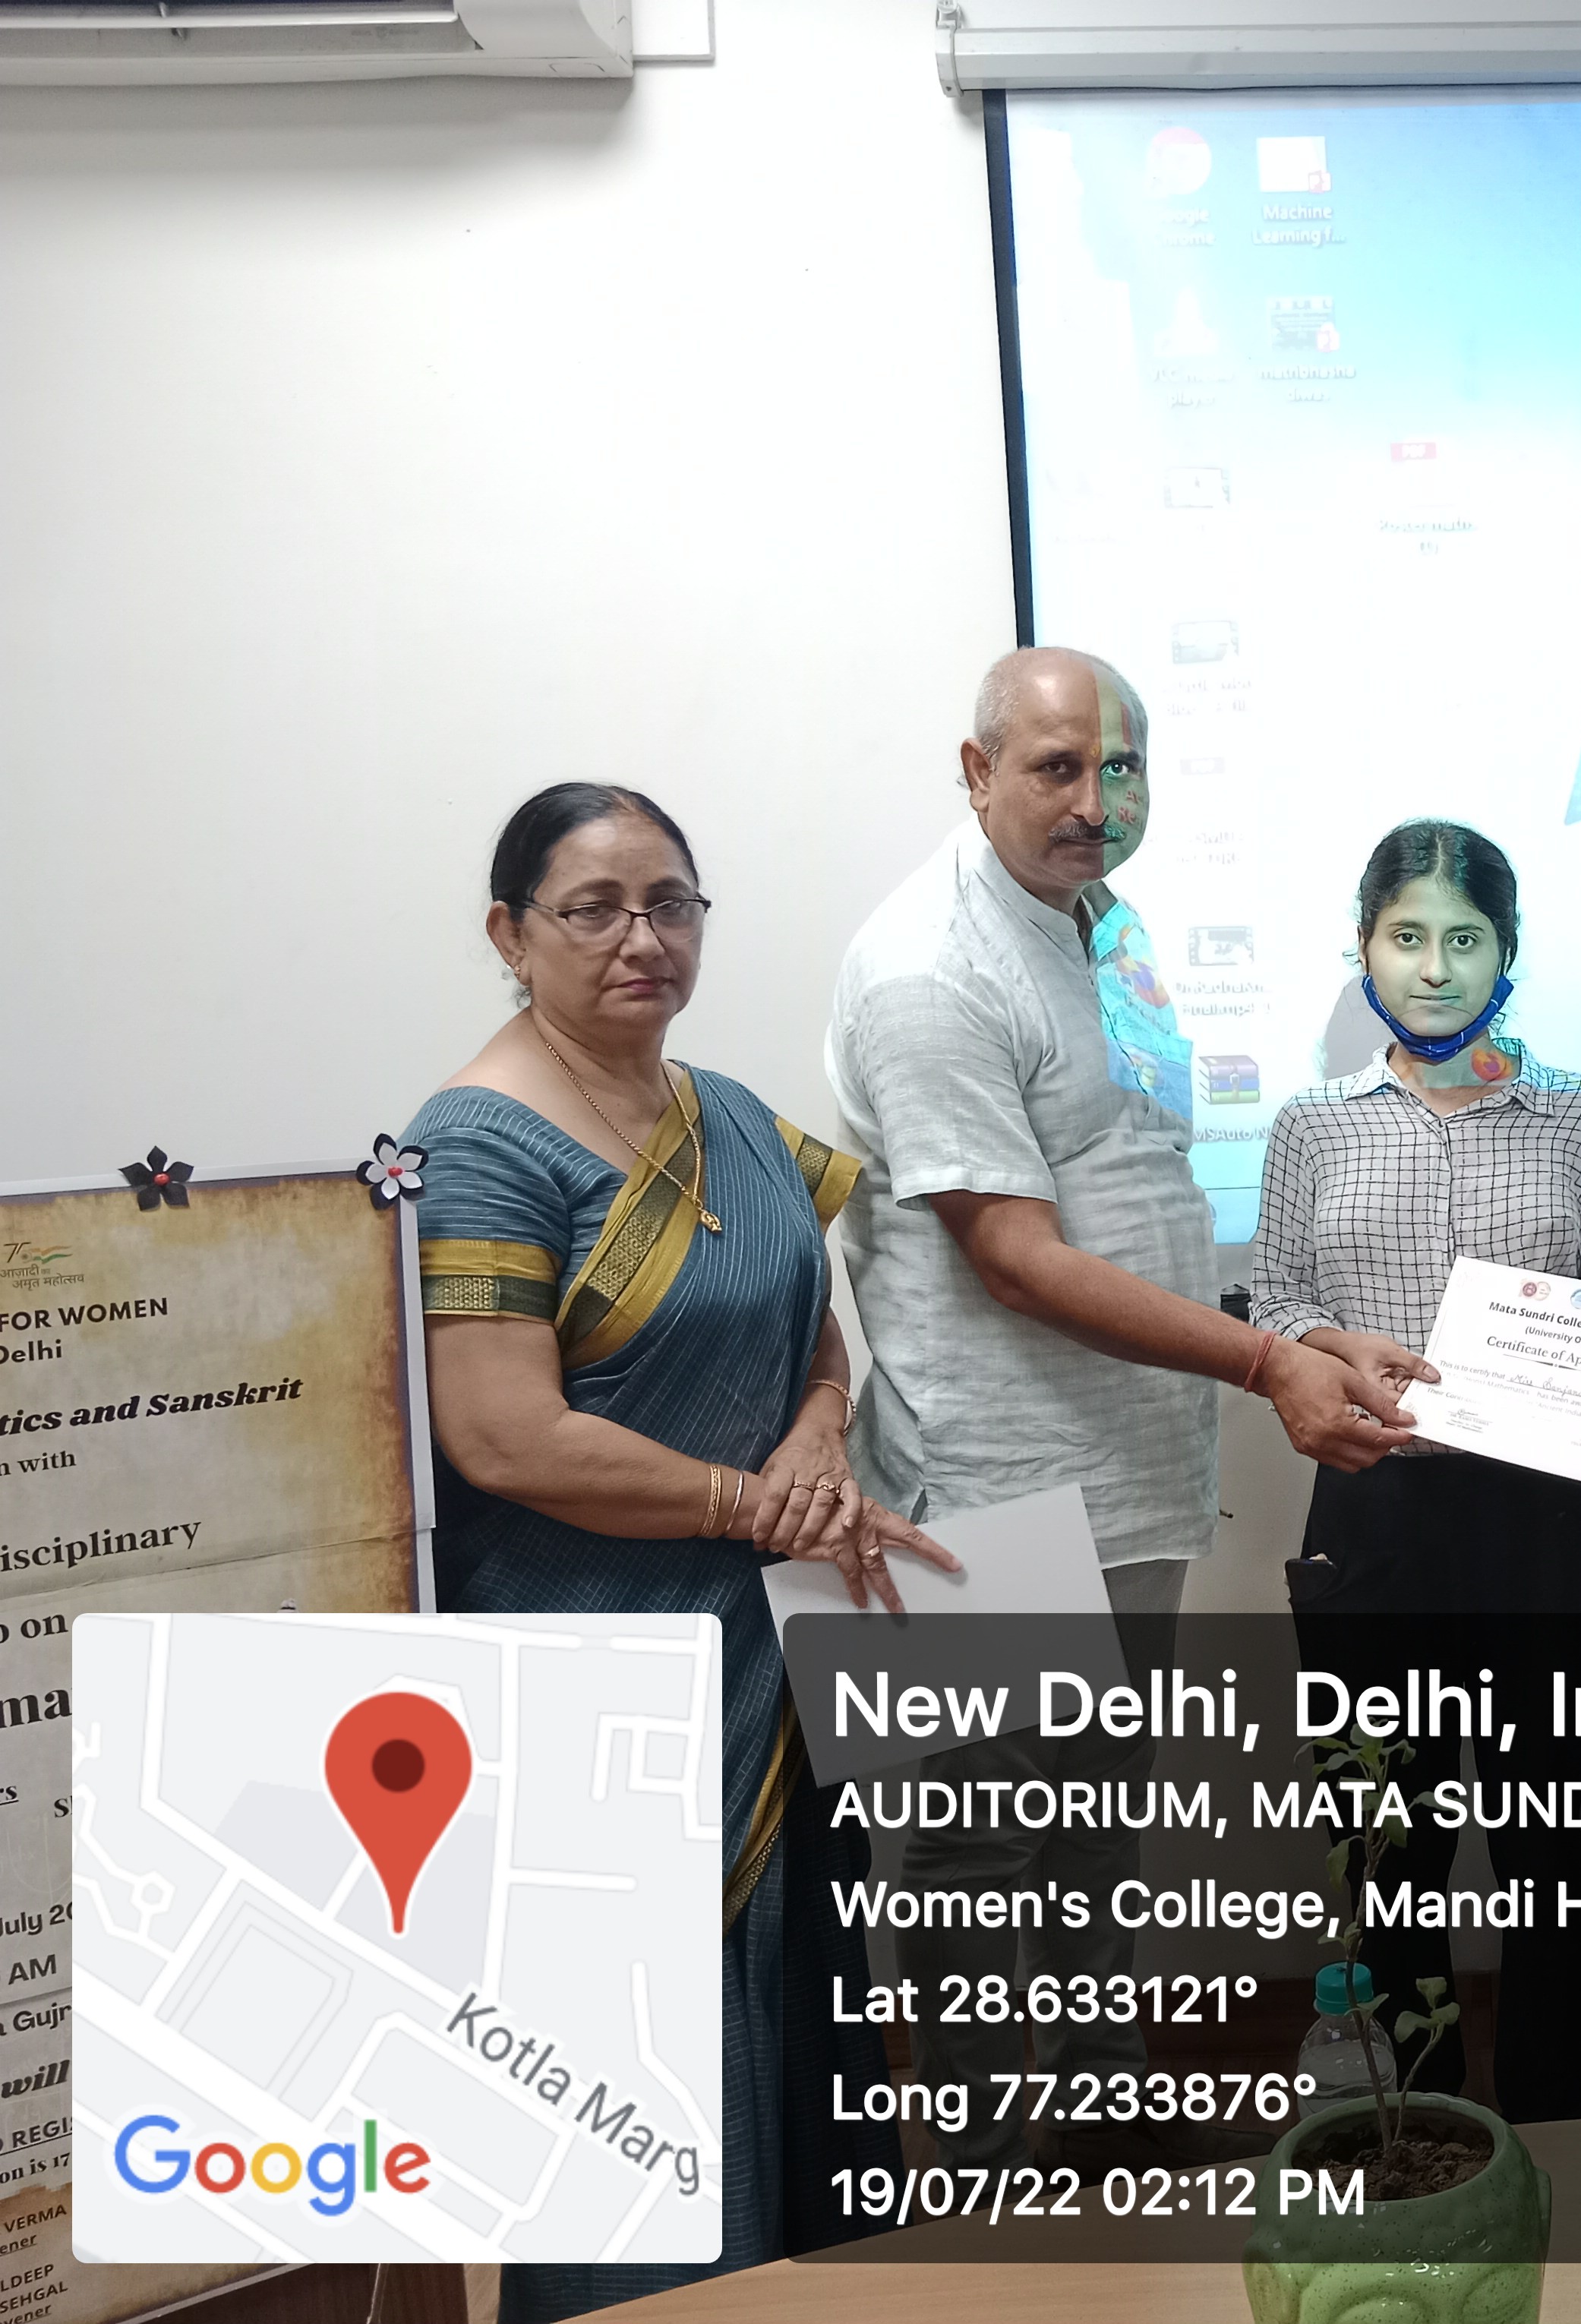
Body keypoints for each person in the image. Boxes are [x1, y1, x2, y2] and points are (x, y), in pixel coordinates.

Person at [825, 646, 1423, 2171]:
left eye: (1124, 767)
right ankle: (985, 2202)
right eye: (1056, 768)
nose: (1097, 803)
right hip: (986, 1496)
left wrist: (1287, 1330)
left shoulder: (1106, 922)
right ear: (976, 774)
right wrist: (1266, 1368)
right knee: (977, 1868)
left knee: (1095, 1848)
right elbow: (1017, 1261)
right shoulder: (929, 965)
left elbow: (1135, 1186)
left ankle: (1102, 2159)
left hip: (1129, 1480)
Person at [406, 784, 956, 2323]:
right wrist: (747, 1501)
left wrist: (819, 1440)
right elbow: (502, 1435)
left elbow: (815, 1330)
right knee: (630, 2079)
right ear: (511, 932)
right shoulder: (475, 1146)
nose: (641, 937)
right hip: (593, 1683)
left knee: (801, 2018)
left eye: (671, 903)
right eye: (594, 908)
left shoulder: (731, 1112)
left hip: (771, 1652)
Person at [1253, 819, 1581, 2122]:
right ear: (1363, 948)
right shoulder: (1312, 1125)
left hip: (1543, 1522)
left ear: (1507, 951)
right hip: (1374, 1515)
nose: (1435, 968)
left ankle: (1553, 2131)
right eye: (1407, 937)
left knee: (1553, 1853)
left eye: (1465, 939)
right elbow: (1280, 1299)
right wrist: (1327, 1347)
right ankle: (1421, 2134)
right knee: (1390, 1851)